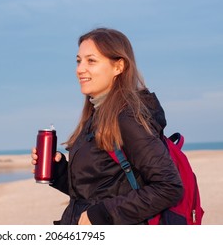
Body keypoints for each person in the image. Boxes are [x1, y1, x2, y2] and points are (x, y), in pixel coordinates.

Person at [31, 27, 183, 225]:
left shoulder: (128, 117)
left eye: (91, 61)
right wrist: (59, 171)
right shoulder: (97, 116)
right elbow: (95, 192)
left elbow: (169, 187)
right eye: (79, 61)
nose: (80, 69)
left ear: (119, 66)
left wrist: (101, 215)